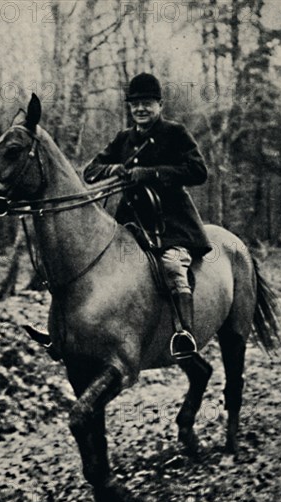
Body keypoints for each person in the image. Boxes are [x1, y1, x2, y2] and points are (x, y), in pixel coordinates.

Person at [83, 72, 212, 341]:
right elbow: (90, 171)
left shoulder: (175, 133)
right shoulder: (123, 138)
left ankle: (184, 333)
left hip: (171, 222)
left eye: (147, 103)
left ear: (159, 105)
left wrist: (152, 173)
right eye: (135, 104)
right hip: (130, 222)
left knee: (173, 266)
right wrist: (113, 168)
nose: (140, 109)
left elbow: (199, 171)